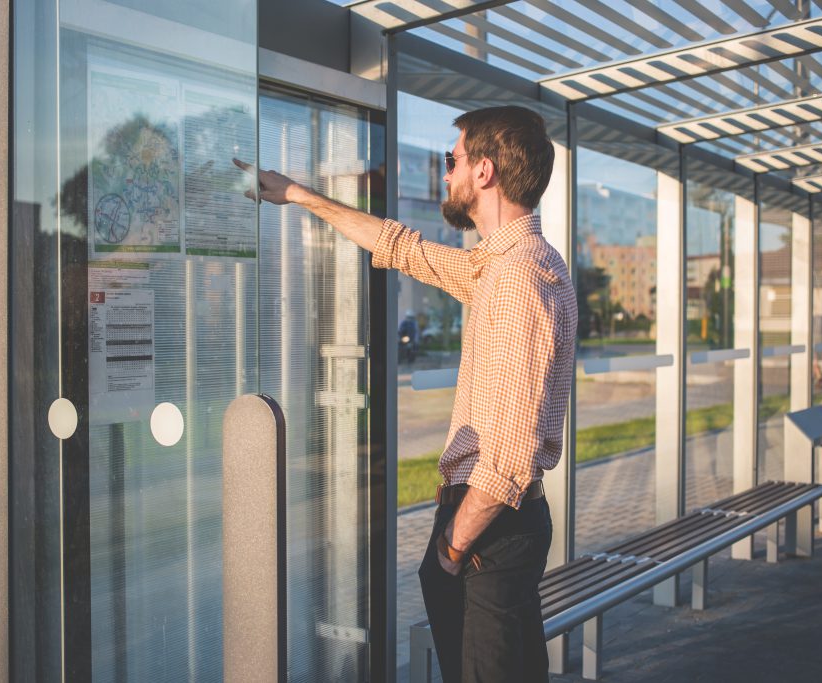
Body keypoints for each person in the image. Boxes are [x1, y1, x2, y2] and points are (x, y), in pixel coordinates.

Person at [236, 104, 578, 682]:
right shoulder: (504, 265)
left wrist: (452, 546)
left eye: (454, 160)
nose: (446, 173)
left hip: (487, 533)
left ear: (485, 172)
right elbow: (402, 248)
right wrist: (299, 195)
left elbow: (511, 452)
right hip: (492, 533)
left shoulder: (518, 278)